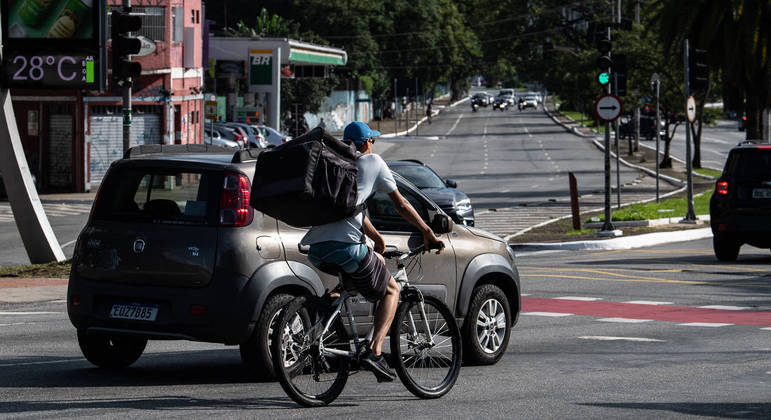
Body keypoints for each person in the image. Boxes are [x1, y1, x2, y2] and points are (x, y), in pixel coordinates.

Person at [300, 121, 445, 382]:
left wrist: (377, 239)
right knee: (392, 289)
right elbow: (400, 204)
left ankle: (333, 302)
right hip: (346, 246)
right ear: (367, 142)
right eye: (373, 141)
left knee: (374, 260)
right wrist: (427, 231)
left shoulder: (336, 167)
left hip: (317, 248)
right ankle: (375, 351)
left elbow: (353, 211)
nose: (373, 145)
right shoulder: (374, 162)